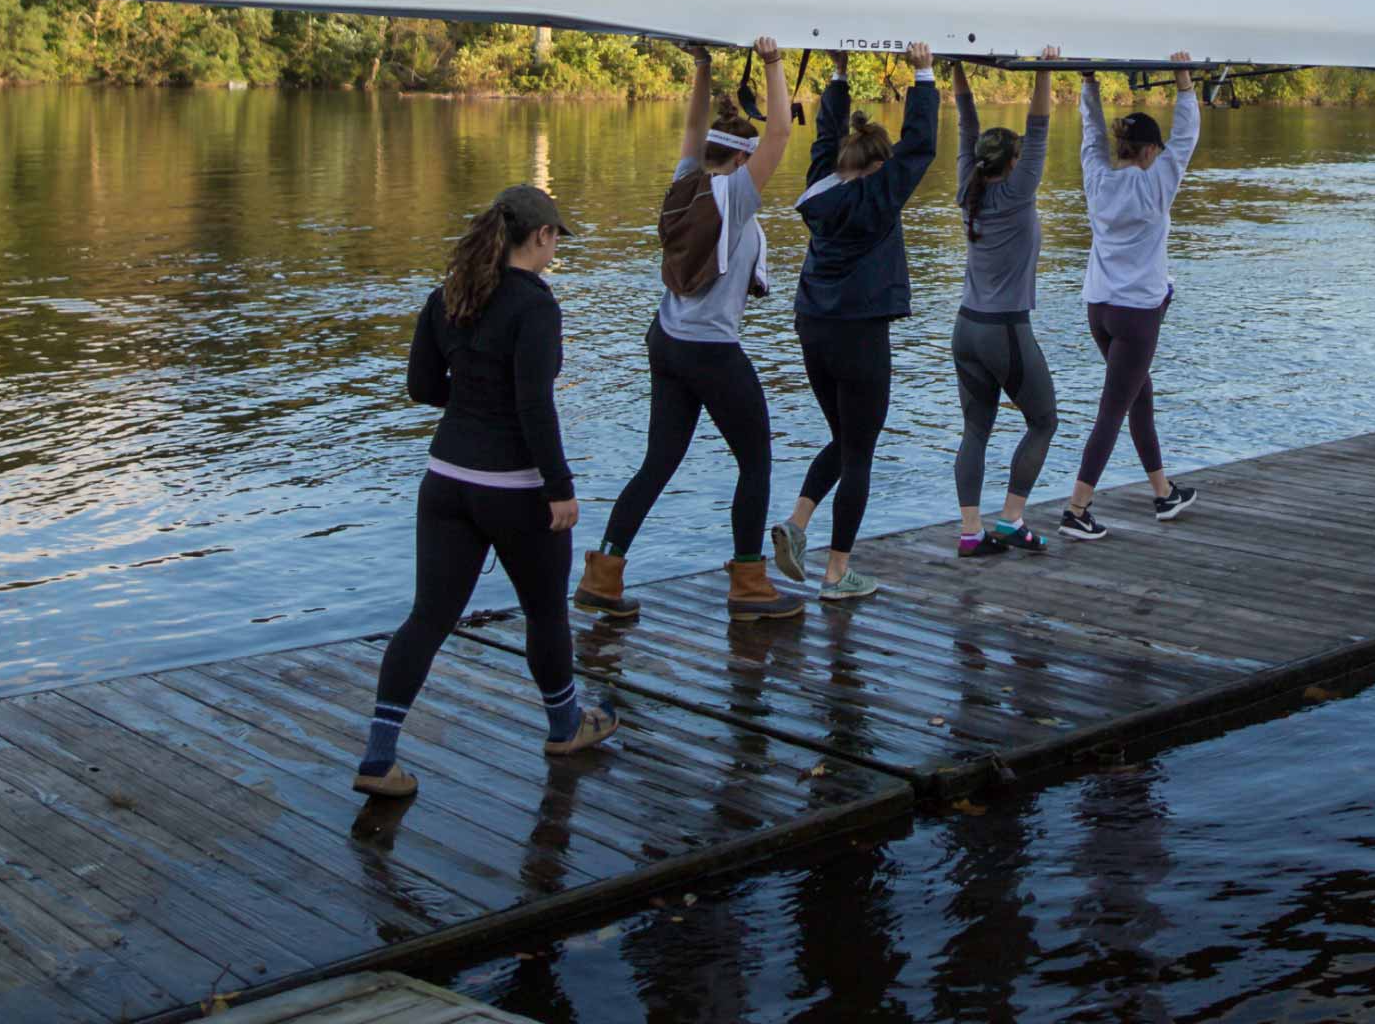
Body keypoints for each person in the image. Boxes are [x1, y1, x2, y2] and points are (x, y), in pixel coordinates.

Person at [355, 185, 615, 798]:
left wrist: (471, 401)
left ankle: (377, 758)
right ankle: (565, 725)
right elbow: (533, 404)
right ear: (543, 237)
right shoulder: (536, 307)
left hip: (445, 480)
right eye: (556, 239)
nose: (556, 249)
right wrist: (561, 488)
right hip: (515, 488)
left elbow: (422, 386)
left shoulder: (447, 296)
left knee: (428, 617)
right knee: (546, 611)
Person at [582, 40, 806, 623]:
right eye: (752, 160)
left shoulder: (684, 182)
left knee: (658, 461)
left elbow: (690, 123)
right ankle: (749, 585)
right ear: (738, 161)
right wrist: (776, 62)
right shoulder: (734, 196)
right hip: (710, 350)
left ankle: (604, 572)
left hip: (667, 340)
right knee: (755, 461)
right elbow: (780, 132)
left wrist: (702, 66)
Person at [769, 40, 940, 602]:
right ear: (876, 167)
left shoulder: (821, 184)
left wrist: (838, 75)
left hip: (812, 324)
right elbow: (921, 148)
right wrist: (923, 75)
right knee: (860, 449)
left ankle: (796, 526)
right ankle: (837, 573)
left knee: (843, 437)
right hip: (860, 330)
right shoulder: (880, 194)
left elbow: (824, 137)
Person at [1058, 54, 1201, 541]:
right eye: (1157, 152)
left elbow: (1091, 136)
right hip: (1138, 316)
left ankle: (1163, 493)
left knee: (1139, 394)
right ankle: (1078, 508)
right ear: (1148, 153)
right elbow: (1187, 140)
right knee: (1112, 410)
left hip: (1099, 309)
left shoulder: (1097, 179)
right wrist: (1185, 84)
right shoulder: (1158, 185)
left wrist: (1088, 83)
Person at [951, 50, 1063, 558]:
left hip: (966, 328)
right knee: (1043, 420)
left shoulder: (965, 188)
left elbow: (965, 126)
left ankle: (971, 532)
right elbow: (1038, 125)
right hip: (1005, 332)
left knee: (976, 429)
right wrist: (1045, 69)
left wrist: (955, 69)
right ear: (1014, 163)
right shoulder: (1019, 192)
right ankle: (1012, 519)